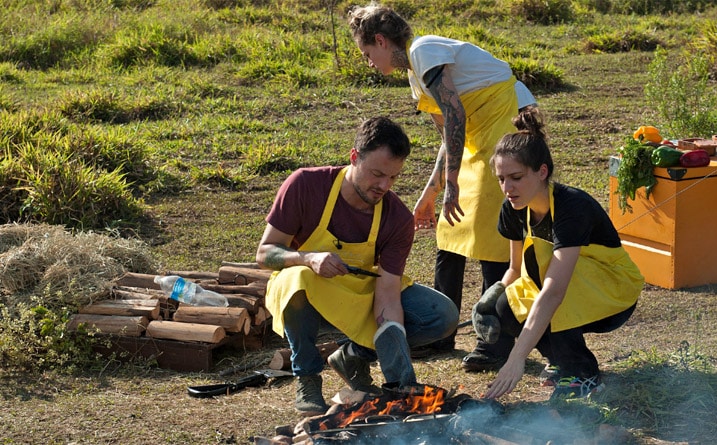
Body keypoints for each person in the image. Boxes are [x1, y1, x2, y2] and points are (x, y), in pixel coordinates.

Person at [348, 4, 536, 363]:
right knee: (449, 233)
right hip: (472, 140)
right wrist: (431, 193)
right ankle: (441, 335)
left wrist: (452, 183)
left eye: (367, 53)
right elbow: (448, 137)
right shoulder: (415, 78)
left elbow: (455, 113)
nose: (369, 61)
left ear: (381, 40)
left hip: (504, 124)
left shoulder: (423, 50)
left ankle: (494, 343)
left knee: (490, 234)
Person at [256, 117, 459, 415]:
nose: (383, 186)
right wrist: (308, 258)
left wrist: (401, 381)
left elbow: (388, 294)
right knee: (297, 277)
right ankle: (307, 377)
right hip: (307, 292)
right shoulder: (305, 185)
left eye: (393, 178)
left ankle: (352, 355)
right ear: (354, 157)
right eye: (377, 174)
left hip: (362, 294)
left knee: (442, 314)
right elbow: (264, 253)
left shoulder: (398, 218)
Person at [473, 108, 643, 399]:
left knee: (551, 291)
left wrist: (516, 358)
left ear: (542, 172)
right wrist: (492, 299)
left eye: (515, 177)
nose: (507, 188)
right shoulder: (512, 209)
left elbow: (554, 291)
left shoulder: (571, 207)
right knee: (506, 307)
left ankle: (583, 373)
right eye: (501, 179)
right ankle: (562, 361)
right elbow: (515, 270)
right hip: (567, 291)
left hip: (611, 293)